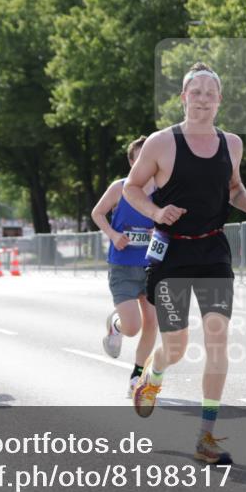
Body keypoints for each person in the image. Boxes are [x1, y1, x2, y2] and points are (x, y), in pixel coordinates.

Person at [124, 62, 246, 465]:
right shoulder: (161, 143)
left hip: (212, 252)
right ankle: (153, 375)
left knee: (217, 338)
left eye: (210, 93)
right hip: (172, 255)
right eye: (196, 92)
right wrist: (156, 213)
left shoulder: (232, 144)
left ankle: (205, 437)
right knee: (175, 347)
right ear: (183, 97)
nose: (203, 99)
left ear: (219, 100)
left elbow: (233, 188)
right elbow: (132, 188)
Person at [91, 136, 159, 397]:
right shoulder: (119, 188)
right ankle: (117, 326)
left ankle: (137, 377)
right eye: (140, 158)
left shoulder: (162, 191)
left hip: (153, 266)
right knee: (133, 328)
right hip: (123, 267)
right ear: (132, 162)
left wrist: (160, 229)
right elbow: (97, 213)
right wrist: (113, 234)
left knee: (152, 322)